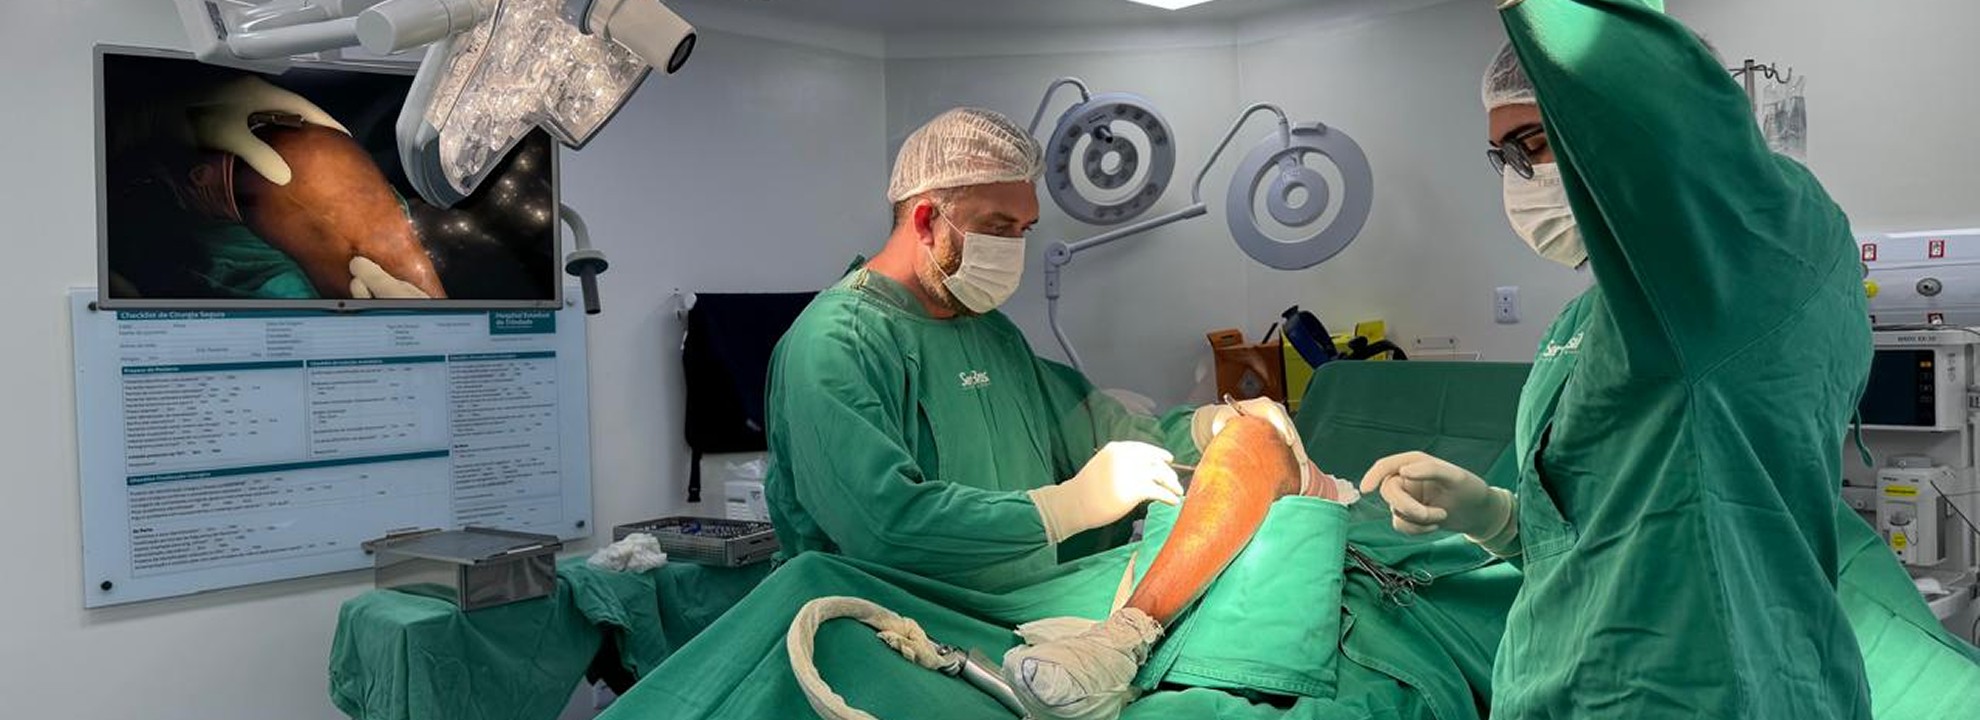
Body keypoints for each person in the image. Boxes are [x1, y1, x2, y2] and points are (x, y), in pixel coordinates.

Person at [1359, 1, 1874, 717]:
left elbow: (1631, 88)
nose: (1516, 174)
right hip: (1560, 686)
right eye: (1502, 155)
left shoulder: (1742, 274)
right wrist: (1494, 515)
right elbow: (1611, 526)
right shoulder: (1591, 318)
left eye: (1533, 141)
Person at [763, 107, 1318, 593]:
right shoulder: (834, 347)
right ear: (927, 219)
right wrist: (1062, 510)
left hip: (1019, 613)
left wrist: (1211, 429)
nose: (1012, 250)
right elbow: (883, 523)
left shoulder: (989, 332)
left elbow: (1094, 428)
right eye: (997, 227)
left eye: (1023, 229)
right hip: (893, 628)